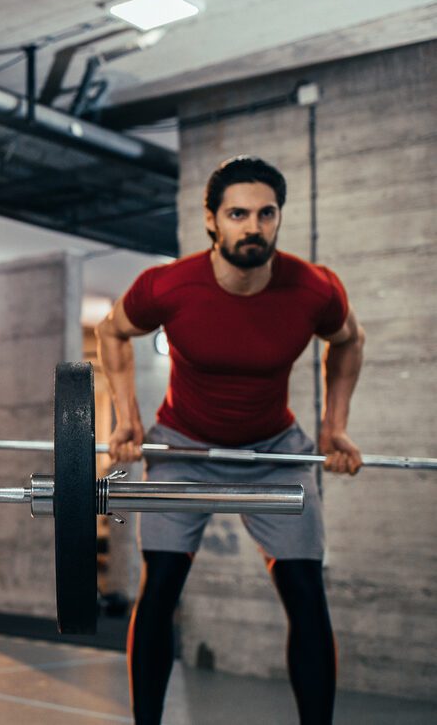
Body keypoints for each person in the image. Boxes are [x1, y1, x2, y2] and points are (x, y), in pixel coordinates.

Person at [96, 156, 366, 725]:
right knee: (161, 585)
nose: (253, 226)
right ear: (212, 220)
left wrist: (334, 425)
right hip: (184, 449)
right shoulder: (168, 286)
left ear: (278, 219)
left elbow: (348, 340)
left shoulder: (313, 288)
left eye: (266, 214)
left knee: (305, 593)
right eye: (238, 213)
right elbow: (112, 331)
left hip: (274, 453)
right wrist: (127, 418)